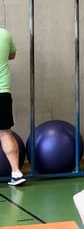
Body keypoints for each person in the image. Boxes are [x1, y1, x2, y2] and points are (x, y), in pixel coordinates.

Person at [0, 28, 25, 186]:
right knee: (5, 134)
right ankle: (16, 172)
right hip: (2, 93)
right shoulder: (4, 34)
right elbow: (12, 55)